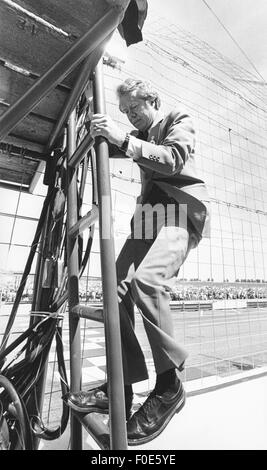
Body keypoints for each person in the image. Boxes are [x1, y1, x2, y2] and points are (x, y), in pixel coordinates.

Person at [67, 78, 210, 444]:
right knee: (115, 288)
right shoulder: (138, 133)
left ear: (154, 100)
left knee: (148, 282)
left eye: (135, 109)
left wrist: (124, 138)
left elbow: (172, 158)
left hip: (178, 211)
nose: (131, 116)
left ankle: (168, 386)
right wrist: (93, 125)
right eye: (126, 112)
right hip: (148, 218)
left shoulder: (179, 118)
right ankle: (123, 385)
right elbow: (114, 144)